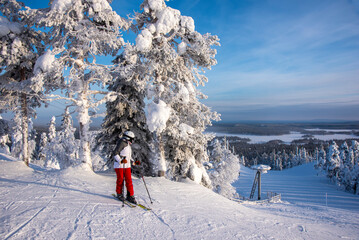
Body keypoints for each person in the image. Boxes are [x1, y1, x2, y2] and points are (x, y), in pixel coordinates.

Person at [113, 130, 140, 204]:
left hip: (127, 165)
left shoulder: (127, 144)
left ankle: (130, 195)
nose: (133, 140)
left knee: (129, 180)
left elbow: (128, 156)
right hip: (119, 166)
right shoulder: (122, 142)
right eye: (132, 139)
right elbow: (115, 153)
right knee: (120, 179)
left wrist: (133, 162)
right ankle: (119, 194)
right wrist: (120, 160)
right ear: (128, 138)